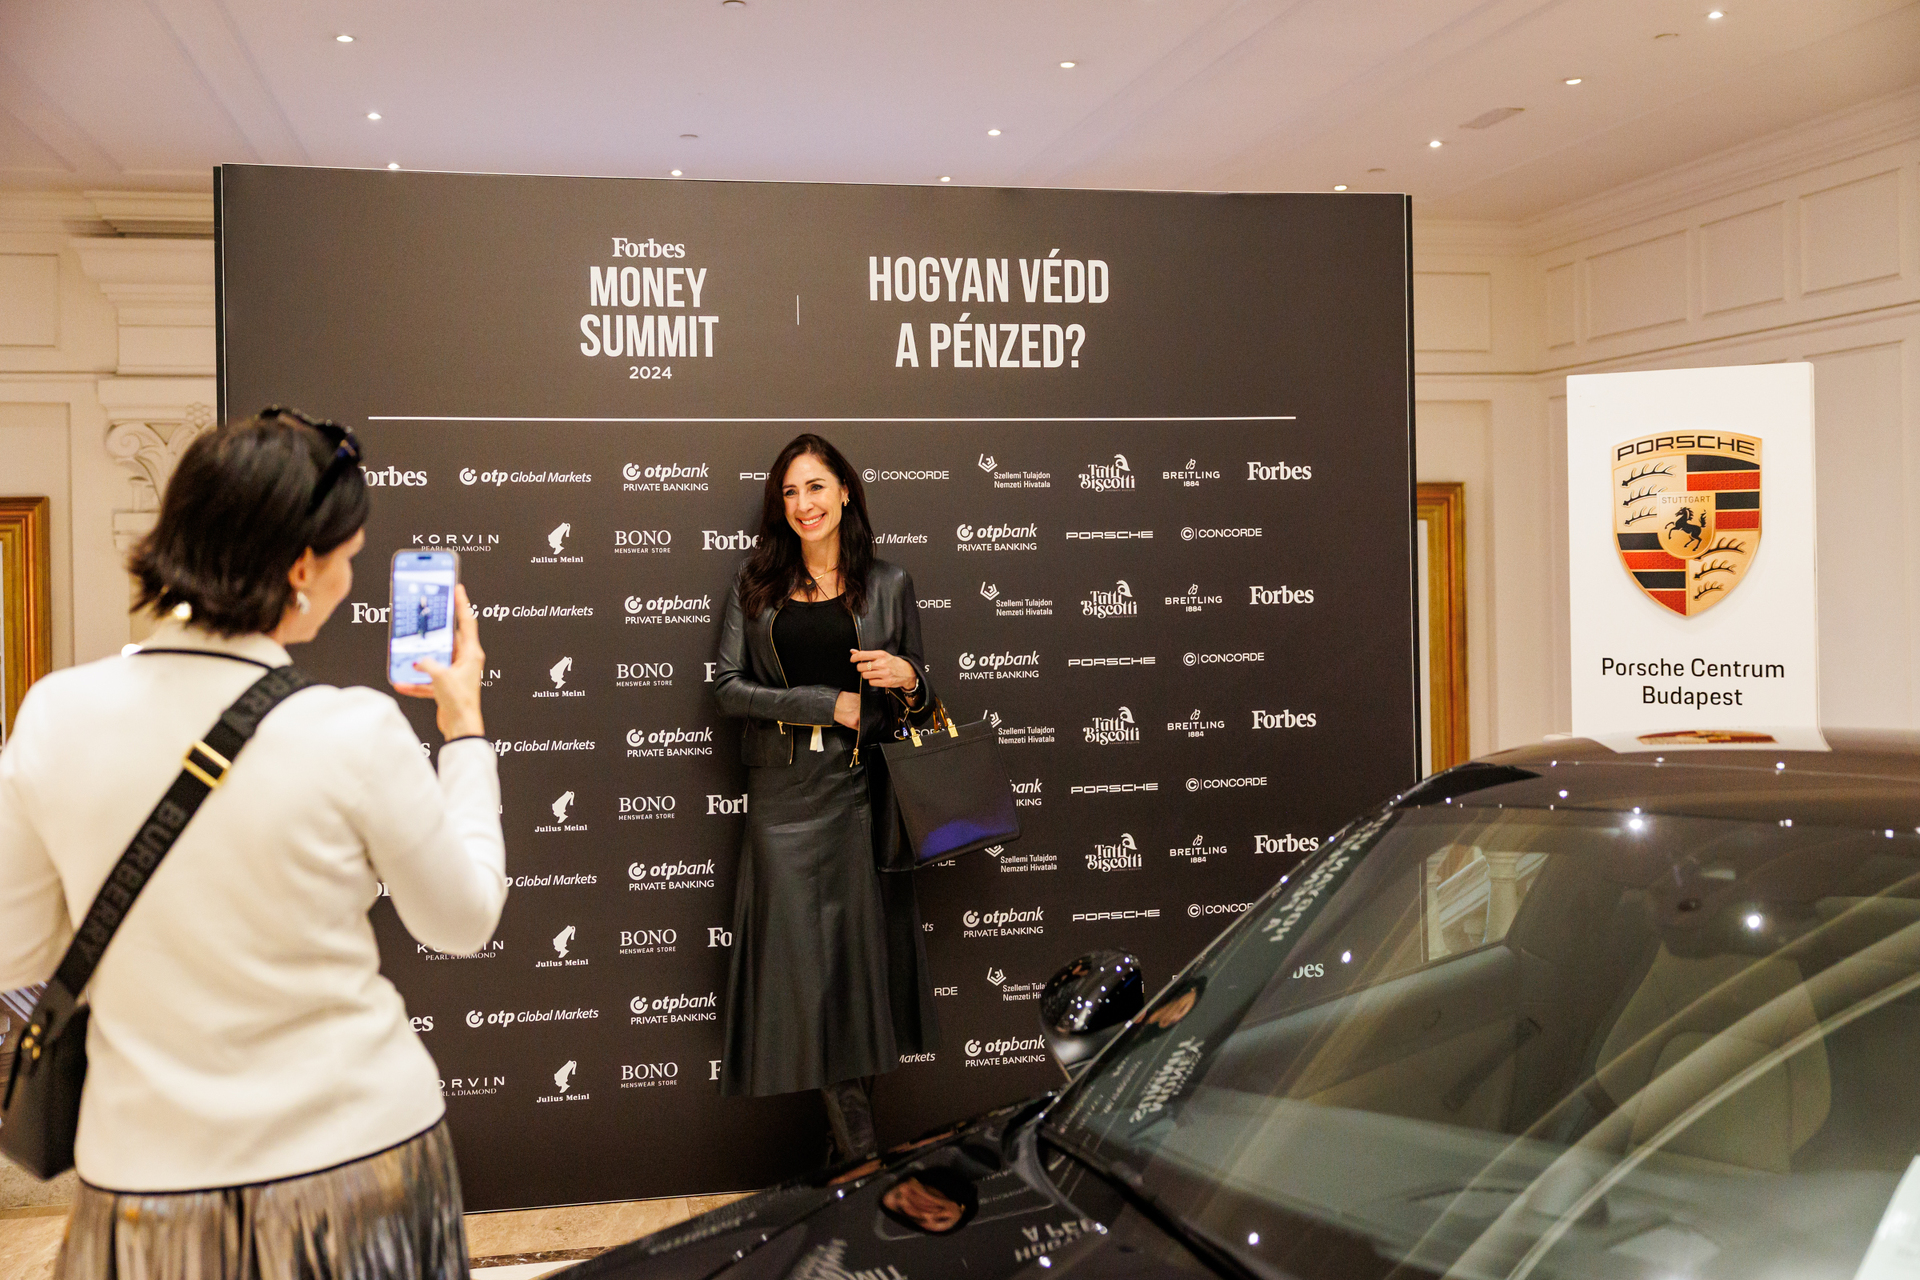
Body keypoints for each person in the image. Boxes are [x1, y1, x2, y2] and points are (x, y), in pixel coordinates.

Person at [0, 408, 506, 1279]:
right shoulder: (352, 730)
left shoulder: (55, 714)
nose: (351, 581)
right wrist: (463, 730)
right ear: (300, 568)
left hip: (145, 1179)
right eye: (348, 559)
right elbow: (461, 920)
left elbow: (17, 950)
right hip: (356, 1163)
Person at [712, 433, 941, 1162]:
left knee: (856, 980)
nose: (804, 504)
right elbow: (728, 689)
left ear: (845, 492)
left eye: (816, 487)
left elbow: (923, 700)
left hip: (864, 794)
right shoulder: (755, 584)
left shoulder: (890, 583)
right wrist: (826, 704)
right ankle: (866, 1165)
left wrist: (909, 678)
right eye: (790, 491)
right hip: (784, 802)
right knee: (810, 981)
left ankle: (852, 1164)